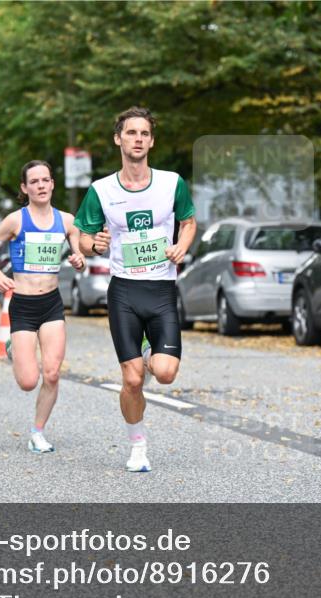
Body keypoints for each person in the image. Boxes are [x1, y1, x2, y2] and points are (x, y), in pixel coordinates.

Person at [75, 107, 197, 472]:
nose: (138, 139)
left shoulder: (172, 182)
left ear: (152, 141)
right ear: (119, 139)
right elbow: (82, 238)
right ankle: (138, 446)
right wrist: (93, 244)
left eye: (144, 133)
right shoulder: (101, 190)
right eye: (131, 133)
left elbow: (188, 222)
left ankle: (148, 353)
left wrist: (181, 245)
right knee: (131, 379)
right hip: (124, 291)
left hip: (160, 290)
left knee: (164, 372)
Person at [0, 160, 86, 453]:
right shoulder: (15, 220)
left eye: (45, 180)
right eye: (34, 181)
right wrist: (0, 276)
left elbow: (79, 256)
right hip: (24, 306)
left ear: (53, 184)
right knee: (28, 381)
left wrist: (79, 260)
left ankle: (37, 432)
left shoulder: (67, 220)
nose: (41, 185)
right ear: (24, 188)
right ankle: (17, 352)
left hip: (52, 304)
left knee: (52, 373)